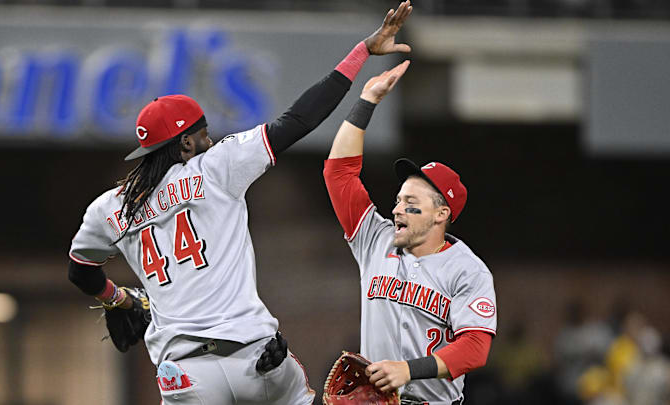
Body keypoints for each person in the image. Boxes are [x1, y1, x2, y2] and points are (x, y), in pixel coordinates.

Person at [66, 2, 414, 404]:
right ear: (184, 142)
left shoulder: (111, 208)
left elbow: (81, 271)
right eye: (203, 134)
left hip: (183, 374)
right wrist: (362, 53)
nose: (208, 141)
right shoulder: (216, 168)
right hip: (256, 357)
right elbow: (299, 120)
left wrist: (117, 298)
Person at [323, 60, 497, 405]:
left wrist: (409, 369)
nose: (397, 209)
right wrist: (367, 101)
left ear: (441, 214)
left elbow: (475, 349)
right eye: (399, 200)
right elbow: (338, 174)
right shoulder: (375, 239)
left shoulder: (467, 269)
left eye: (411, 203)